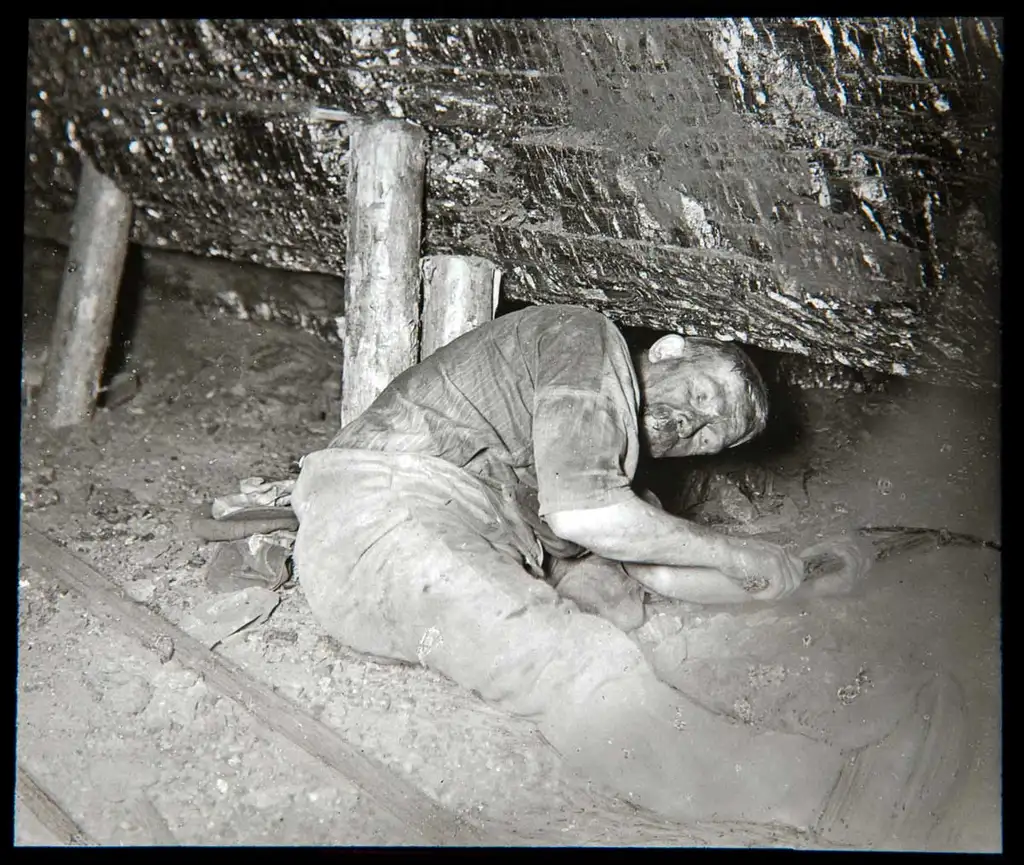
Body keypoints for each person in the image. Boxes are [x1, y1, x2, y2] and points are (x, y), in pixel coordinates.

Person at [292, 304, 964, 846]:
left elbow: (662, 573)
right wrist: (737, 555)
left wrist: (797, 576)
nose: (693, 421)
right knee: (572, 655)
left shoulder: (603, 464)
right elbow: (588, 515)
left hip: (412, 559)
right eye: (702, 392)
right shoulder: (587, 338)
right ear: (668, 347)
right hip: (380, 516)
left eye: (711, 433)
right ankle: (838, 793)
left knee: (615, 601)